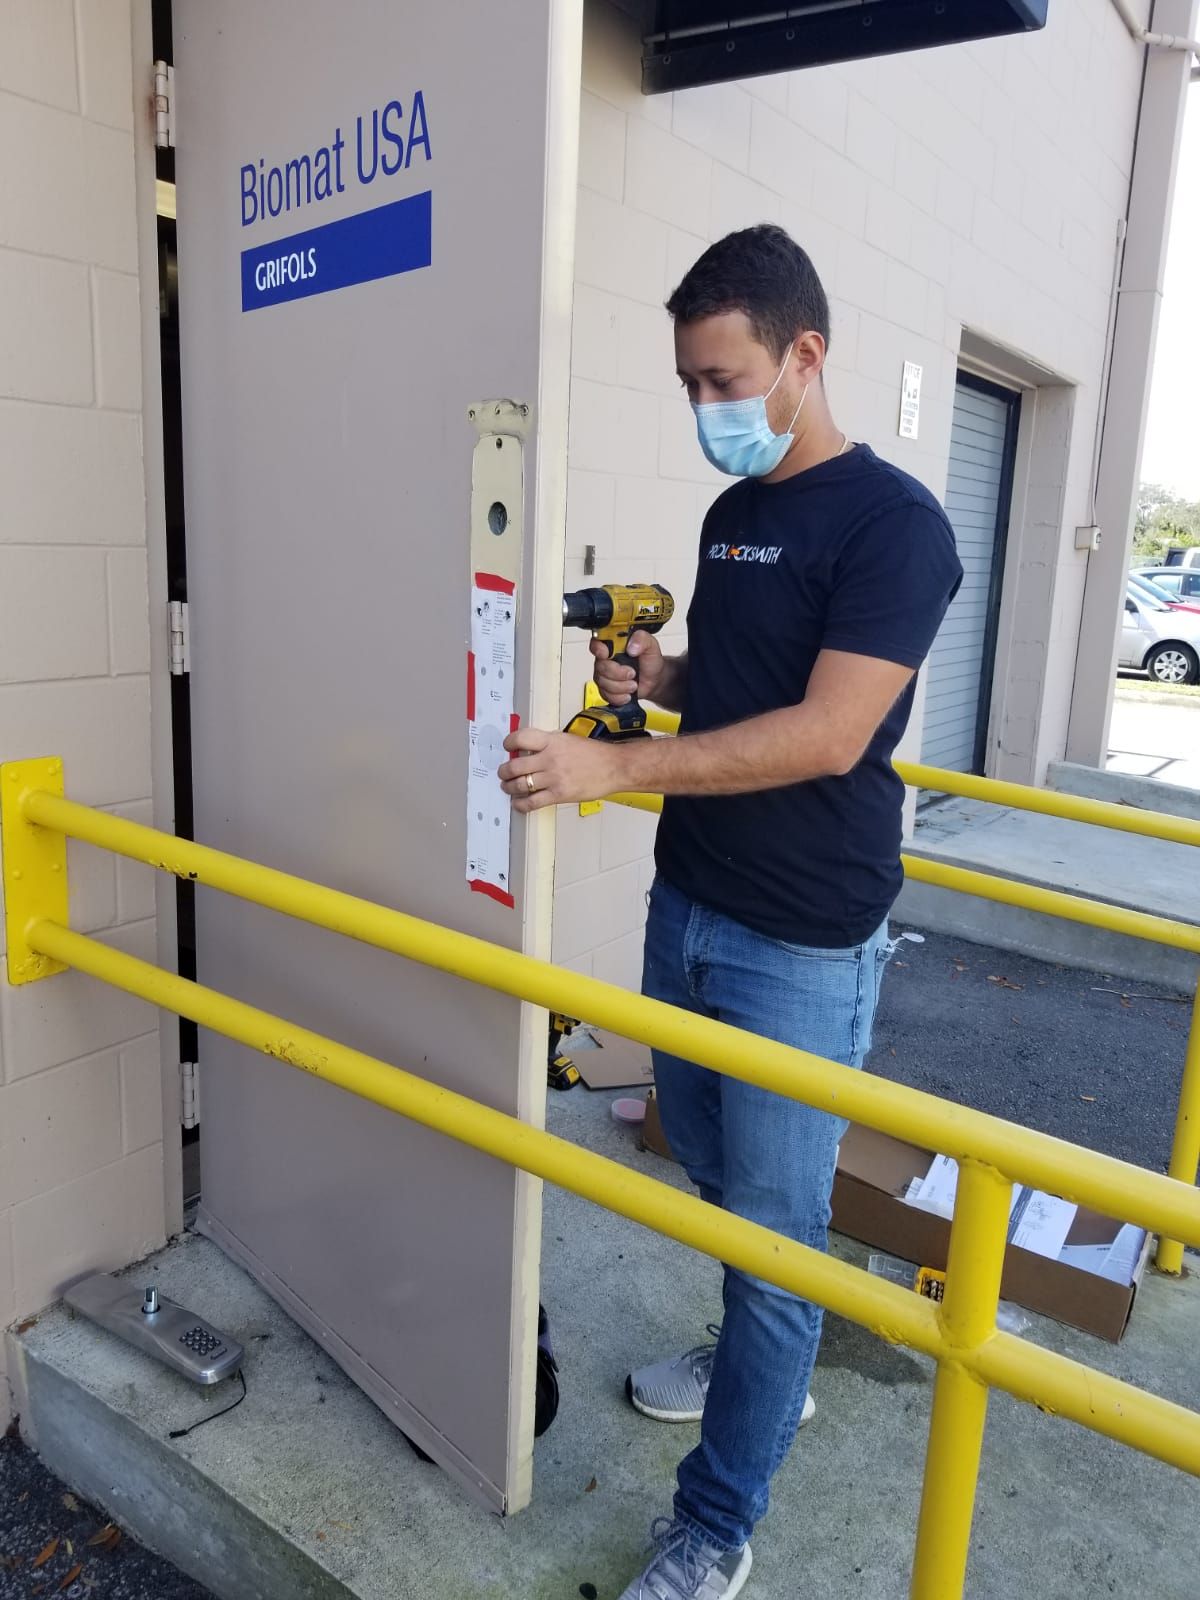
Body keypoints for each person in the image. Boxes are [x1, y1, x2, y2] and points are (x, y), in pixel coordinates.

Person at [499, 224, 962, 1600]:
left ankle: (717, 1520)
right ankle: (774, 1343)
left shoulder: (899, 528)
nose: (707, 410)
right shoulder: (734, 514)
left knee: (773, 1238)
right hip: (690, 903)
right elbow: (745, 684)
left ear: (803, 357)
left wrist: (610, 761)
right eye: (691, 386)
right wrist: (659, 675)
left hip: (802, 944)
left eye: (725, 379)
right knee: (693, 1141)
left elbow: (825, 734)